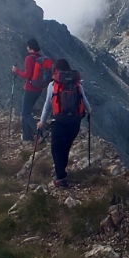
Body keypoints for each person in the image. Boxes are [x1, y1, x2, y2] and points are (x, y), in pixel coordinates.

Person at [36, 59, 91, 188]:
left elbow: (47, 106)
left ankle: (61, 178)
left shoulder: (53, 84)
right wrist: (89, 111)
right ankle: (62, 174)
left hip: (59, 121)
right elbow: (85, 102)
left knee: (56, 149)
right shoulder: (77, 84)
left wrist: (42, 122)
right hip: (74, 123)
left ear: (56, 70)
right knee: (66, 147)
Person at [11, 38, 52, 141]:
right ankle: (27, 137)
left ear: (29, 47)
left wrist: (17, 71)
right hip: (39, 89)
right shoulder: (41, 58)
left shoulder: (29, 58)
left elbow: (28, 75)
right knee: (26, 111)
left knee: (25, 113)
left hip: (30, 88)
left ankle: (41, 132)